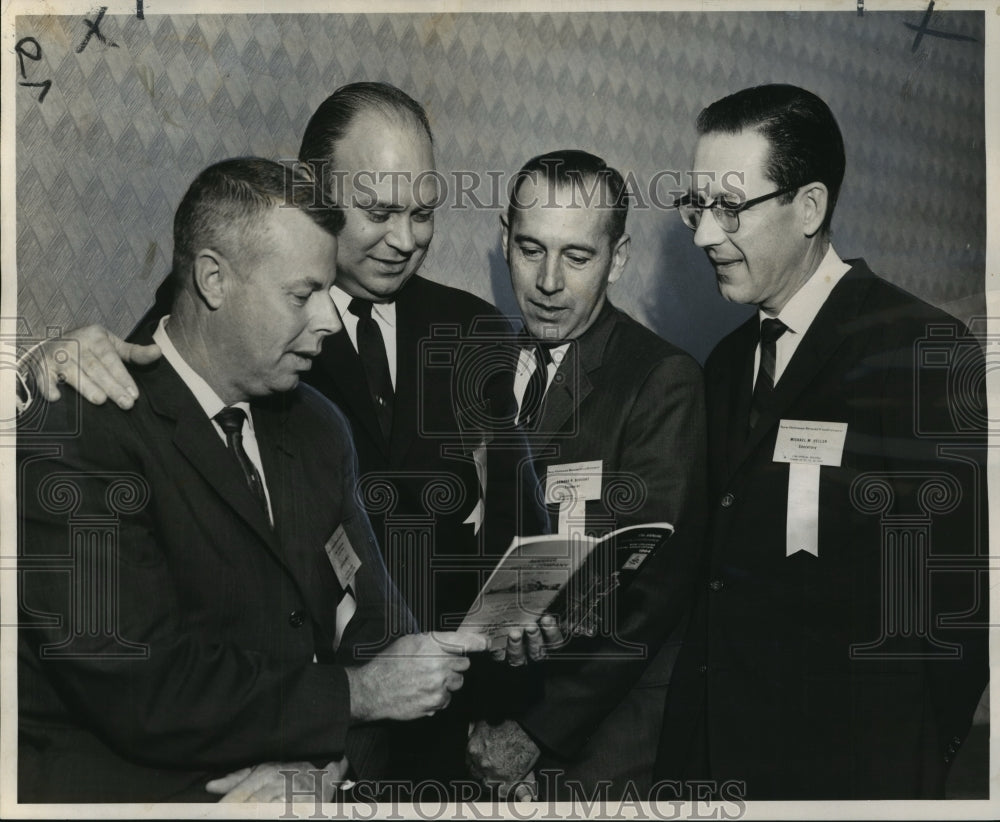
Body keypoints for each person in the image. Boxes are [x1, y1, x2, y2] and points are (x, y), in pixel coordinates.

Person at [17, 82, 546, 785]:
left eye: (422, 213)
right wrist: (37, 364)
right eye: (380, 210)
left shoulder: (329, 417)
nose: (405, 237)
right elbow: (166, 370)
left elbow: (384, 609)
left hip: (381, 744)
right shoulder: (111, 412)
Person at [654, 84, 988, 799]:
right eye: (697, 207)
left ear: (808, 207)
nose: (705, 235)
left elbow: (950, 604)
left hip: (851, 775)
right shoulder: (723, 365)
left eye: (730, 208)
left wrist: (915, 769)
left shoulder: (921, 347)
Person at [465, 150, 707, 800]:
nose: (547, 280)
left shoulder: (661, 381)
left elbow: (650, 594)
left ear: (617, 260)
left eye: (577, 256)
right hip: (481, 722)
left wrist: (534, 735)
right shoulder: (480, 370)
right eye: (529, 248)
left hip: (597, 741)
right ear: (504, 240)